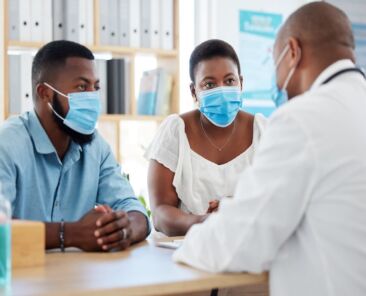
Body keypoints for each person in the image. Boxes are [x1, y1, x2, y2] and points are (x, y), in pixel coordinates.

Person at [173, 3, 366, 296]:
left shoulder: (302, 118)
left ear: (292, 52)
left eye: (275, 64)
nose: (277, 82)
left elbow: (239, 243)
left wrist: (189, 244)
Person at [0, 40, 149, 252]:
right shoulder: (7, 143)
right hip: (19, 280)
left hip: (78, 279)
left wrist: (122, 230)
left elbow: (133, 209)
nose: (92, 97)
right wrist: (70, 234)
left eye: (95, 87)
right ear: (45, 93)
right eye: (81, 86)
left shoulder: (96, 146)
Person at [146, 39, 266, 236]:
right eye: (209, 84)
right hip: (185, 252)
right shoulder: (175, 131)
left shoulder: (263, 132)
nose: (221, 90)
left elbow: (279, 201)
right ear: (194, 92)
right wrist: (205, 221)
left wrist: (236, 211)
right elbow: (160, 213)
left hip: (250, 250)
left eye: (229, 81)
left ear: (241, 83)